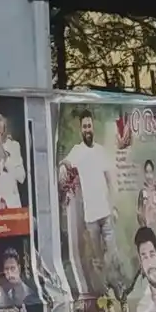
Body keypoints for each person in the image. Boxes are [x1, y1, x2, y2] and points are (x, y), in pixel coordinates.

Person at [60, 110, 119, 291]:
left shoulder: (101, 151)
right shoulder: (78, 151)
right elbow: (65, 162)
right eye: (84, 126)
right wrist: (62, 168)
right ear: (81, 130)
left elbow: (111, 179)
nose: (87, 129)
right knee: (98, 259)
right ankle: (105, 293)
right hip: (91, 217)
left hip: (106, 213)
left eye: (89, 126)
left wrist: (114, 205)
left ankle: (116, 285)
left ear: (93, 127)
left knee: (113, 254)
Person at [0, 113, 27, 211]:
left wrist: (7, 161)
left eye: (0, 119)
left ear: (6, 122)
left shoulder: (14, 146)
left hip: (12, 205)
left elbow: (21, 177)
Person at [136, 158, 156, 230]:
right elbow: (139, 212)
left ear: (154, 173)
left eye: (150, 172)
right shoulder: (142, 192)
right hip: (146, 229)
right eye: (147, 172)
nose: (149, 176)